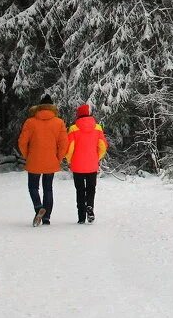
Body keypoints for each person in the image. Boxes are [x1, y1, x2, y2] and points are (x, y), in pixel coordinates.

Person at [18, 94, 68, 226]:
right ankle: (46, 217)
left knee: (33, 187)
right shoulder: (59, 122)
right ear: (52, 108)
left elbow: (22, 142)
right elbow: (64, 144)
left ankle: (38, 207)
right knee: (48, 189)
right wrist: (58, 158)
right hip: (51, 160)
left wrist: (27, 155)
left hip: (34, 159)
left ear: (39, 107)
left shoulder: (30, 122)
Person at [66, 103, 108, 224]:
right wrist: (97, 157)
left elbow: (70, 148)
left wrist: (70, 160)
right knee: (91, 189)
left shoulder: (73, 129)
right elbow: (103, 146)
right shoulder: (98, 128)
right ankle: (90, 206)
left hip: (78, 165)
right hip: (92, 164)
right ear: (89, 113)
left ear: (78, 115)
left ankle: (81, 216)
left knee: (80, 190)